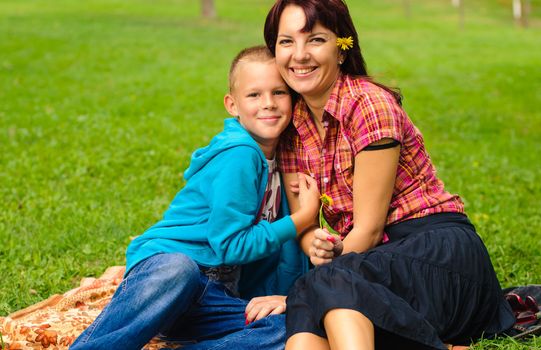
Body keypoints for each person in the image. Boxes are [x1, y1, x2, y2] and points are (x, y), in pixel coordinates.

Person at [263, 1, 516, 349]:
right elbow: (304, 222)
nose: (300, 55)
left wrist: (327, 270)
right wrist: (316, 247)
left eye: (316, 40)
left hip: (436, 253)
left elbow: (368, 229)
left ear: (341, 48)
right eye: (286, 42)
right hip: (373, 264)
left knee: (321, 286)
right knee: (315, 296)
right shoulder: (292, 128)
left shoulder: (369, 105)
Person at [70, 45, 320, 350]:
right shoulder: (239, 154)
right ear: (232, 104)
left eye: (279, 92)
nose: (268, 103)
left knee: (290, 328)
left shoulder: (285, 161)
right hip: (166, 280)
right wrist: (301, 219)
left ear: (293, 99)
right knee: (179, 269)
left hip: (214, 299)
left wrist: (288, 299)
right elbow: (229, 244)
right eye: (254, 95)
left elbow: (278, 255)